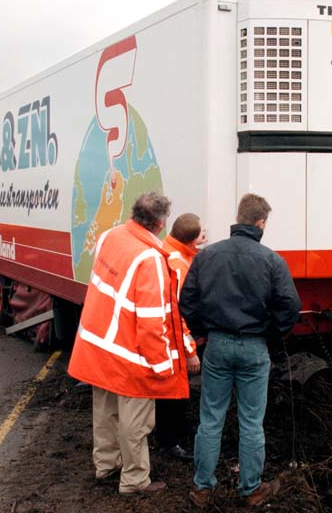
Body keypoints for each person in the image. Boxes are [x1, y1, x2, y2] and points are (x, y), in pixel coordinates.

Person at [179, 193, 301, 508]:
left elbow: (187, 302)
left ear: (239, 216)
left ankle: (202, 489)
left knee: (210, 418)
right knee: (250, 421)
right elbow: (290, 308)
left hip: (217, 345)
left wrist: (205, 330)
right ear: (261, 223)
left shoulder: (207, 256)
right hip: (254, 347)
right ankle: (251, 489)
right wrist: (269, 334)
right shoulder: (272, 260)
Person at [67, 191, 191, 496]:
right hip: (127, 356)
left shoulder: (110, 237)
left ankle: (106, 466)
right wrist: (163, 368)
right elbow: (151, 323)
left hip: (98, 347)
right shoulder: (150, 259)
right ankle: (135, 480)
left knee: (105, 411)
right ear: (160, 223)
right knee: (136, 423)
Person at [155, 213, 206, 459]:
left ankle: (175, 430)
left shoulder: (170, 251)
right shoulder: (179, 265)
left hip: (168, 336)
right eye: (201, 235)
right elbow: (178, 312)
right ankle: (168, 442)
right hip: (174, 339)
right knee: (172, 391)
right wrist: (191, 351)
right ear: (192, 240)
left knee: (174, 390)